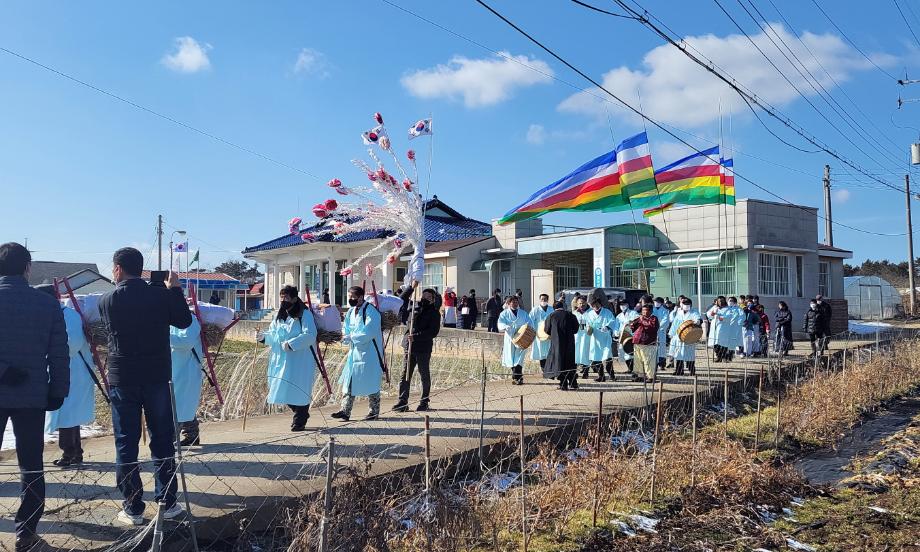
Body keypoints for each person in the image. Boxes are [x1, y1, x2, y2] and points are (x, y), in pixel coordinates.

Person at [99, 247, 192, 526]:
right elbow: (184, 321)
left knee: (126, 442)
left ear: (118, 269)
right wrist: (174, 290)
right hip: (156, 376)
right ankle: (167, 502)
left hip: (123, 377)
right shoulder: (160, 295)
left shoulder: (107, 300)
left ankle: (132, 506)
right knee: (162, 438)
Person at [0, 244, 69, 551]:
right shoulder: (47, 304)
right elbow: (59, 353)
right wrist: (58, 390)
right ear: (28, 268)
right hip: (32, 394)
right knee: (31, 464)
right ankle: (26, 532)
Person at [35, 285, 95, 467]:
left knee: (68, 414)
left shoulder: (68, 315)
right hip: (64, 370)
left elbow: (73, 344)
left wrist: (46, 346)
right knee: (69, 415)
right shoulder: (54, 314)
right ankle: (74, 451)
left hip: (74, 371)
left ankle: (69, 452)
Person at [261, 285, 318, 431]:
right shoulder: (280, 314)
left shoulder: (304, 314)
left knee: (299, 389)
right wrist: (263, 338)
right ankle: (301, 413)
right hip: (281, 358)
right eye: (281, 297)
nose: (283, 300)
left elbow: (310, 335)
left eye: (286, 297)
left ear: (294, 298)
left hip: (299, 359)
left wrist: (292, 344)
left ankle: (300, 419)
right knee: (281, 387)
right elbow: (274, 333)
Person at [333, 286, 384, 421]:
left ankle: (374, 411)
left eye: (353, 297)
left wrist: (352, 337)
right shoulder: (351, 311)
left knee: (371, 382)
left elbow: (369, 331)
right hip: (354, 353)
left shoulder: (371, 311)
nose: (350, 299)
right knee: (349, 381)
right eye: (349, 297)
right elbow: (346, 328)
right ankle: (345, 410)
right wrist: (345, 336)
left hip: (370, 353)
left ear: (361, 297)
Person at [393, 286, 440, 412]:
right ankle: (403, 402)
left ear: (433, 299)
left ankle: (424, 402)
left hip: (423, 348)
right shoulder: (413, 307)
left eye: (429, 297)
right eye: (424, 296)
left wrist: (416, 337)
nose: (425, 298)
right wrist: (411, 287)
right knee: (405, 374)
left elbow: (433, 332)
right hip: (409, 346)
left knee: (424, 374)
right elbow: (401, 299)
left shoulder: (434, 313)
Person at [170, 310, 204, 444]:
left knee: (179, 405)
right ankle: (192, 436)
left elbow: (185, 342)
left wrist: (161, 335)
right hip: (175, 368)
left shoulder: (190, 320)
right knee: (184, 404)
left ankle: (169, 439)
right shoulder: (170, 320)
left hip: (187, 370)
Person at [543, 299, 580, 390]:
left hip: (557, 343)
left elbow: (547, 330)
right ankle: (573, 382)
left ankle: (563, 384)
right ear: (563, 307)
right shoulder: (570, 315)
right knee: (570, 362)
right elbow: (576, 328)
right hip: (569, 342)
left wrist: (554, 334)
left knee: (559, 362)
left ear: (554, 308)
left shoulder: (551, 316)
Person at [497, 295, 532, 385]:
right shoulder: (504, 313)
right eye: (513, 302)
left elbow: (529, 322)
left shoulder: (523, 313)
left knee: (520, 357)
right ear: (509, 303)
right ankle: (518, 377)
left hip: (522, 337)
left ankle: (517, 377)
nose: (515, 304)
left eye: (516, 302)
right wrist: (505, 326)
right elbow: (500, 323)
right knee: (511, 357)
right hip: (510, 338)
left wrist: (527, 329)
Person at [584, 297, 617, 381]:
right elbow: (588, 324)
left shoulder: (607, 312)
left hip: (605, 337)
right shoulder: (589, 314)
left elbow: (613, 321)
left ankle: (612, 375)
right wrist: (589, 329)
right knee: (596, 357)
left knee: (607, 357)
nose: (595, 306)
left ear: (600, 304)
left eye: (597, 304)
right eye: (593, 305)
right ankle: (601, 376)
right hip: (595, 338)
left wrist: (607, 327)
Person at [669, 298, 702, 375]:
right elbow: (674, 323)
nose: (686, 306)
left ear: (691, 305)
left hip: (689, 336)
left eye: (688, 304)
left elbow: (698, 318)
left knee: (689, 355)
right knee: (678, 354)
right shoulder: (679, 312)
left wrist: (698, 321)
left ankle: (692, 371)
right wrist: (671, 333)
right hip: (678, 336)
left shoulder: (694, 312)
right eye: (684, 304)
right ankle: (679, 371)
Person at [630, 304, 659, 383]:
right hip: (637, 341)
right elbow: (633, 328)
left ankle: (651, 377)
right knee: (638, 360)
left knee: (648, 360)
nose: (644, 312)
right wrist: (632, 324)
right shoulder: (639, 318)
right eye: (643, 310)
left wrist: (642, 320)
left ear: (651, 311)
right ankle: (640, 375)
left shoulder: (654, 319)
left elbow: (651, 327)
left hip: (648, 342)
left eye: (646, 310)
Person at [529, 294, 554, 376]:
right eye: (542, 299)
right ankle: (544, 371)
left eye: (545, 299)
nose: (543, 300)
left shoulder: (551, 309)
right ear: (540, 300)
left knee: (549, 352)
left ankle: (549, 370)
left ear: (548, 300)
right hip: (539, 335)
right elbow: (530, 321)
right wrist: (533, 331)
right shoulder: (535, 310)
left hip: (549, 334)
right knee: (541, 353)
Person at [613, 299, 639, 378]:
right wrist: (616, 332)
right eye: (621, 305)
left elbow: (637, 322)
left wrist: (630, 323)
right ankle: (630, 368)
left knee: (631, 353)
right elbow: (616, 326)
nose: (622, 306)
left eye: (624, 304)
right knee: (623, 353)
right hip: (622, 336)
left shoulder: (634, 313)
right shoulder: (619, 316)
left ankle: (634, 370)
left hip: (631, 336)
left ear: (627, 305)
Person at [713, 297, 743, 362]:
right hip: (725, 328)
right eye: (729, 300)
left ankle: (729, 357)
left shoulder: (738, 309)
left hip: (733, 328)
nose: (730, 302)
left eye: (731, 300)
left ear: (735, 302)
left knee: (731, 343)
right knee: (722, 343)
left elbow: (742, 317)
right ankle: (721, 356)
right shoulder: (726, 308)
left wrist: (738, 324)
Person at [573, 296, 591, 379]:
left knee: (586, 354)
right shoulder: (574, 313)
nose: (581, 305)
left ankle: (586, 372)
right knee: (576, 354)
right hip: (577, 336)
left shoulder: (591, 312)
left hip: (587, 336)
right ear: (577, 304)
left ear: (586, 303)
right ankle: (574, 373)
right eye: (580, 303)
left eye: (583, 303)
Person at [652, 297, 671, 371]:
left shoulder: (665, 311)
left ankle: (662, 364)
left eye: (657, 302)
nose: (656, 303)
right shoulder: (652, 309)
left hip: (661, 331)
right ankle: (654, 364)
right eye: (655, 301)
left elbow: (666, 320)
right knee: (653, 348)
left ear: (661, 303)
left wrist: (658, 326)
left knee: (661, 349)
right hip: (652, 331)